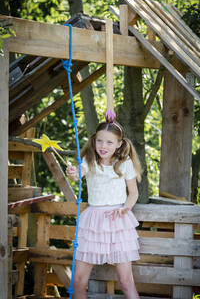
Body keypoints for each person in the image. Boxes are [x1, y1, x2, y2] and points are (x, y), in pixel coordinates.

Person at [66, 110, 142, 299]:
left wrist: (126, 207)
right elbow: (79, 173)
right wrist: (73, 172)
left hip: (118, 221)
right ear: (94, 141)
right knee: (78, 283)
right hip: (93, 222)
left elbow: (133, 193)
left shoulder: (125, 164)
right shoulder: (89, 161)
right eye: (100, 141)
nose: (103, 146)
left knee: (125, 282)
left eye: (109, 142)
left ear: (119, 144)